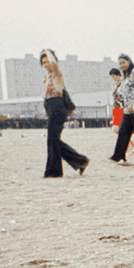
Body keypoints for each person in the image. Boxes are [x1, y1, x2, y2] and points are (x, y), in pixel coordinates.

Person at [40, 49, 89, 178]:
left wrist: (47, 51)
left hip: (58, 107)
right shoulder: (46, 77)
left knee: (52, 139)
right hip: (52, 109)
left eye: (48, 61)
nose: (46, 64)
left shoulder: (57, 74)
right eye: (43, 62)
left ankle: (54, 171)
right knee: (53, 140)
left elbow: (54, 64)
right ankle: (80, 161)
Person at [109, 54, 134, 164]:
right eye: (120, 63)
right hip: (127, 109)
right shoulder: (125, 74)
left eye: (124, 62)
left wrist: (133, 103)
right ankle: (119, 156)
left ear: (129, 61)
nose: (122, 65)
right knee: (123, 132)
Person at [109, 68, 124, 134]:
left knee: (122, 127)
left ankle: (129, 142)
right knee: (115, 128)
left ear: (118, 75)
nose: (112, 78)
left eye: (113, 76)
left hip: (123, 107)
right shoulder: (114, 85)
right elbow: (114, 97)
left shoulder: (124, 83)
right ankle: (131, 142)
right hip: (116, 107)